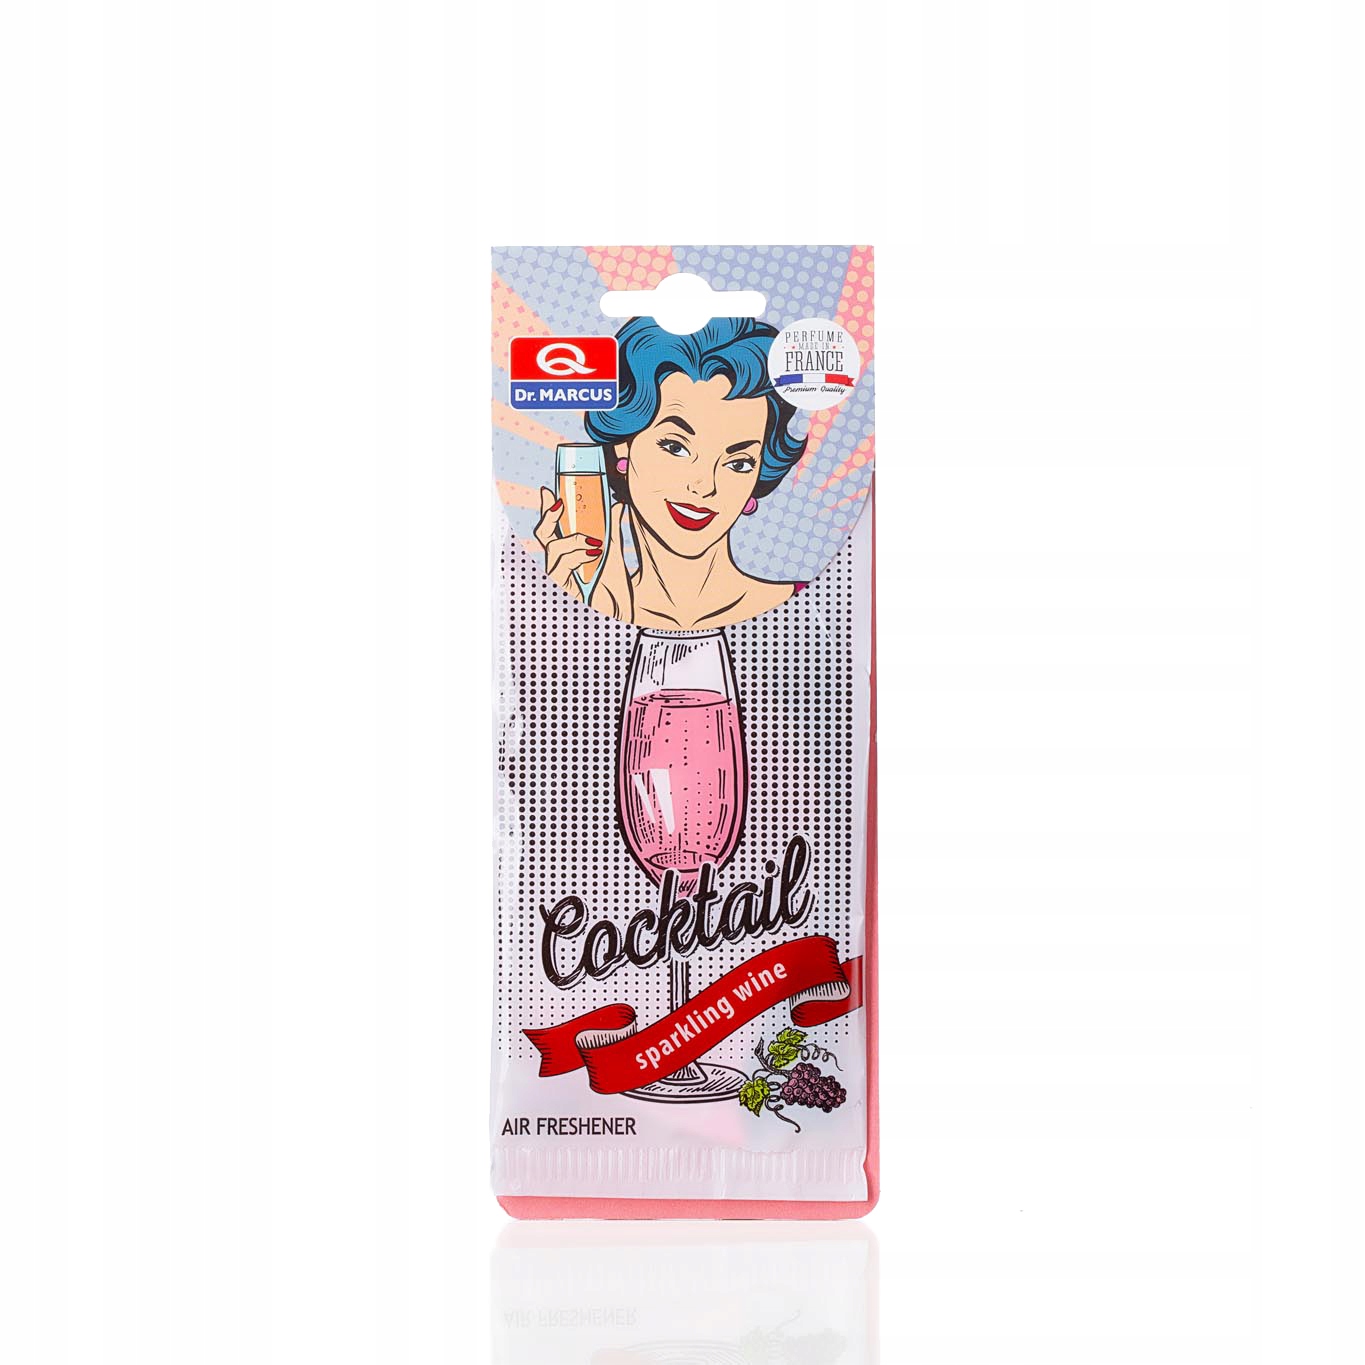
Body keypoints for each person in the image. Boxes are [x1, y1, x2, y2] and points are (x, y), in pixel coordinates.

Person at [535, 316, 807, 629]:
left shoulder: (802, 609)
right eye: (676, 447)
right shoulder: (598, 601)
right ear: (624, 445)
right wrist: (577, 618)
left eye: (738, 463)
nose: (705, 486)